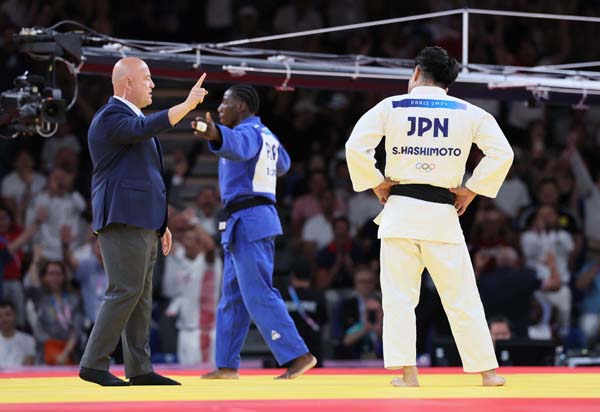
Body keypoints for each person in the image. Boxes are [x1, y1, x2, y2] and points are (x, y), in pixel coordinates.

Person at [345, 46, 513, 387]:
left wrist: (376, 182)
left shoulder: (391, 106)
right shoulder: (469, 112)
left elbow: (354, 147)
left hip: (400, 213)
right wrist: (471, 190)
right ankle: (488, 373)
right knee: (462, 296)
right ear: (449, 80)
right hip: (442, 216)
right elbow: (502, 153)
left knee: (399, 298)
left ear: (416, 72)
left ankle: (408, 374)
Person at [79, 57, 208, 386]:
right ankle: (93, 364)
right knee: (125, 290)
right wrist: (186, 106)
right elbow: (144, 129)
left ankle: (139, 368)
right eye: (147, 78)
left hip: (141, 220)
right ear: (128, 83)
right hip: (122, 218)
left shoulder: (130, 119)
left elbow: (145, 176)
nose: (152, 84)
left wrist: (160, 222)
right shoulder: (110, 116)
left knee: (140, 295)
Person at [192, 84, 316, 380]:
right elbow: (283, 164)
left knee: (258, 291)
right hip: (246, 220)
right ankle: (226, 365)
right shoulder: (267, 135)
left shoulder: (246, 133)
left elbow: (237, 145)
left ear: (241, 107)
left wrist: (214, 133)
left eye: (225, 103)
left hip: (250, 219)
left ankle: (299, 354)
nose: (219, 108)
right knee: (232, 297)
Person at [0, 300, 35, 367]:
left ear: (15, 315)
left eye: (7, 314)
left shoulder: (28, 340)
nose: (4, 319)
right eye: (0, 316)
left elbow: (30, 365)